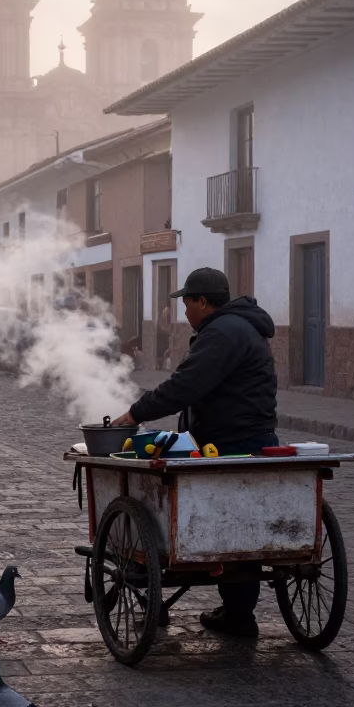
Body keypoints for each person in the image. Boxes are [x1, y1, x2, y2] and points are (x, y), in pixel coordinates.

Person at [112, 267, 277, 639]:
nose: (184, 312)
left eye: (187, 303)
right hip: (253, 435)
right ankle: (238, 614)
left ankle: (225, 607)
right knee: (241, 530)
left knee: (223, 527)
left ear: (203, 301)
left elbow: (186, 384)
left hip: (227, 442)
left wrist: (134, 413)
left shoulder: (221, 332)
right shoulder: (243, 327)